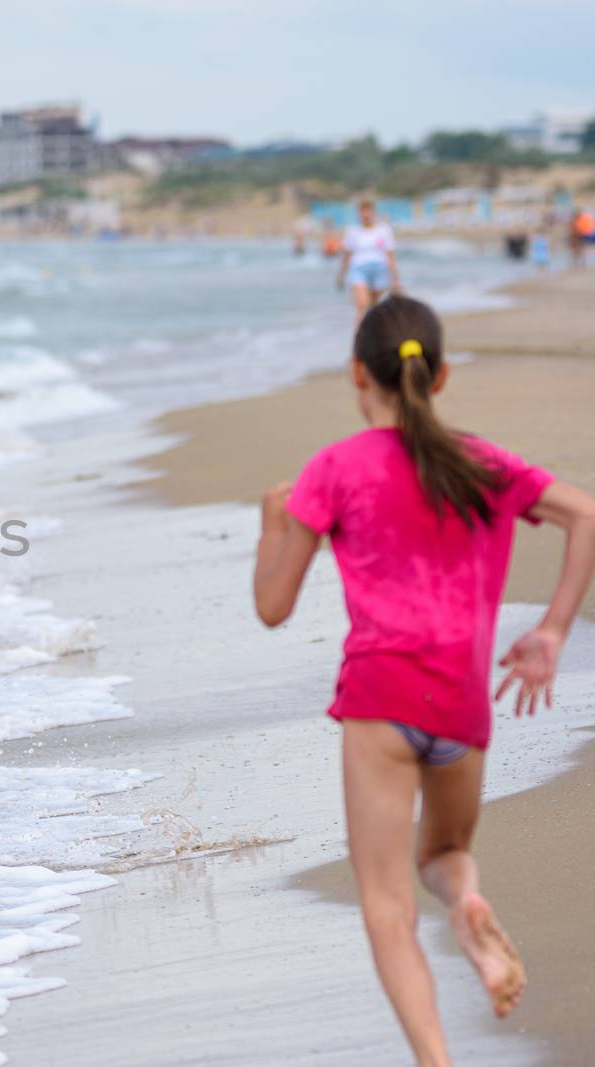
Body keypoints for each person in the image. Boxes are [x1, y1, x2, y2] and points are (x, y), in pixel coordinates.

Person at [253, 294, 595, 1067]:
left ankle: (435, 1060)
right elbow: (587, 515)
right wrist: (551, 631)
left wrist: (273, 522)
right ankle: (467, 902)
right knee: (441, 856)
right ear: (437, 377)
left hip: (382, 699)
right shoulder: (484, 461)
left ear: (356, 375)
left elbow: (273, 606)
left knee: (385, 904)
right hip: (462, 703)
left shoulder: (334, 469)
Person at [337, 198, 401, 319]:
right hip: (359, 269)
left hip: (380, 270)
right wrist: (341, 275)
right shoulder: (353, 231)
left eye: (368, 211)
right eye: (363, 212)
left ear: (373, 212)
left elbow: (390, 256)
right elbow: (346, 255)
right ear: (359, 213)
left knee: (374, 307)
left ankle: (372, 334)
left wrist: (395, 279)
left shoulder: (384, 230)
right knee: (362, 305)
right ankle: (358, 337)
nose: (366, 215)